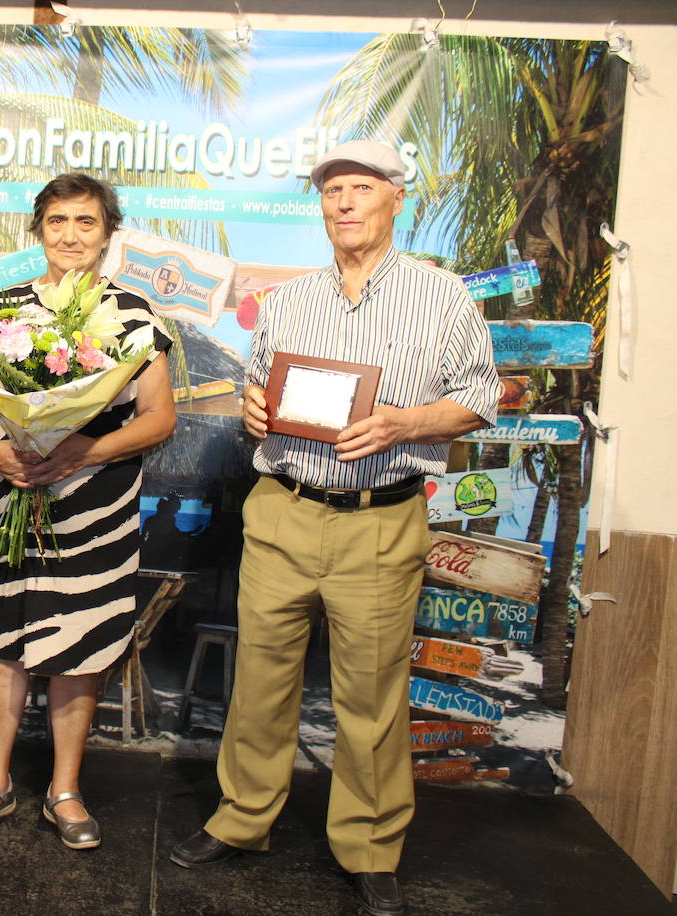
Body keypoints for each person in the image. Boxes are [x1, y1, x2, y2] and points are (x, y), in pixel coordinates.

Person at [169, 141, 499, 915]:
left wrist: (406, 422)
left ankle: (370, 846)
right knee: (260, 686)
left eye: (361, 187)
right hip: (282, 510)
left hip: (378, 523)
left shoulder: (442, 295)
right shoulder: (288, 300)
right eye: (332, 190)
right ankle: (242, 820)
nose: (343, 202)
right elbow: (260, 392)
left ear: (396, 200)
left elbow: (479, 396)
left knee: (371, 699)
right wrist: (254, 411)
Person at [0, 173, 177, 849]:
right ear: (37, 230)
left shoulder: (135, 316)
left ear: (108, 232)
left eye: (86, 222)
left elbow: (159, 419)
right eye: (57, 222)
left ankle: (65, 790)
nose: (71, 235)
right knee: (2, 643)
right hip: (6, 497)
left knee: (80, 646)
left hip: (93, 509)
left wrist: (85, 447)